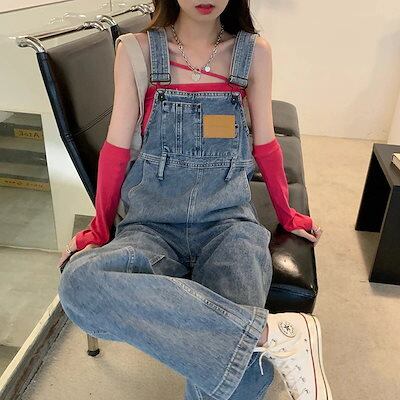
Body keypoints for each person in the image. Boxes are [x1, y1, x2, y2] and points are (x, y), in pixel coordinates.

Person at [57, 1, 331, 399]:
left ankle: (251, 337)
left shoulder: (254, 52)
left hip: (228, 224)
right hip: (151, 227)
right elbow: (115, 150)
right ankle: (271, 335)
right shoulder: (136, 51)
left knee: (235, 373)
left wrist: (288, 214)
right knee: (79, 283)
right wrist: (99, 229)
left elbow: (266, 144)